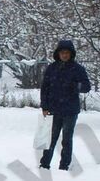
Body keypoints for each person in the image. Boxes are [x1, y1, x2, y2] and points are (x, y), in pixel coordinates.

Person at [39, 39, 91, 170]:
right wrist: (44, 107)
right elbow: (44, 88)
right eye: (62, 52)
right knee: (50, 139)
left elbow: (86, 86)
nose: (64, 55)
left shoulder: (77, 69)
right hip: (53, 109)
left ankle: (64, 165)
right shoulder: (51, 68)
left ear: (71, 54)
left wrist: (74, 86)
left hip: (70, 110)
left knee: (67, 139)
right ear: (58, 53)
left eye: (67, 52)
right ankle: (44, 164)